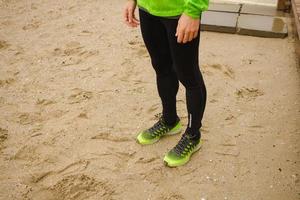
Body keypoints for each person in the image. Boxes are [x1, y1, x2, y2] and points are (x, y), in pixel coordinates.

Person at [124, 0, 209, 167]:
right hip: (147, 8)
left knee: (188, 76)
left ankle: (193, 135)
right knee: (161, 67)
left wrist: (193, 11)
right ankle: (170, 121)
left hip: (179, 10)